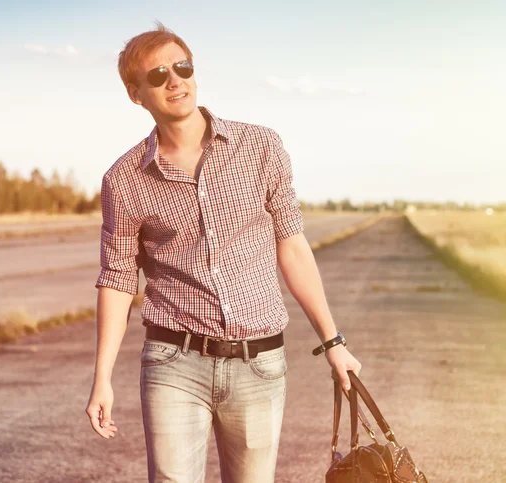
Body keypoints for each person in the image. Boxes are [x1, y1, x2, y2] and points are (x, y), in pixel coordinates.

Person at [85, 22, 362, 483]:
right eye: (157, 76)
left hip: (260, 363)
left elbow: (292, 246)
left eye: (182, 67)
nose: (174, 81)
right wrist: (101, 378)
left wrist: (333, 342)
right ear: (136, 94)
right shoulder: (124, 179)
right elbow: (116, 278)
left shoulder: (261, 146)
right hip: (174, 361)